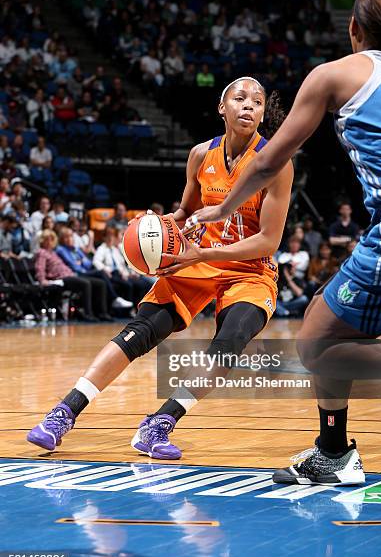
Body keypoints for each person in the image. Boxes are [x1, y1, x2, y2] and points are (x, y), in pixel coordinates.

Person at [189, 0, 381, 486]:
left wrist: (223, 205)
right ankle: (333, 451)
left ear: (353, 29)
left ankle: (335, 452)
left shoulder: (337, 74)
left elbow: (268, 159)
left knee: (315, 345)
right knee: (319, 318)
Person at [27, 76, 293, 458]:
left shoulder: (276, 165)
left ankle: (160, 422)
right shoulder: (202, 155)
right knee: (142, 331)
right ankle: (64, 412)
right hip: (196, 260)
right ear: (223, 108)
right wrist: (159, 229)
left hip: (250, 272)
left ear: (263, 113)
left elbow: (269, 240)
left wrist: (199, 255)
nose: (249, 105)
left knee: (230, 342)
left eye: (258, 101)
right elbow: (185, 211)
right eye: (240, 98)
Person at [56, 227, 133, 313]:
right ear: (62, 239)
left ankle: (104, 312)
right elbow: (73, 265)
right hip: (76, 274)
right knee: (101, 272)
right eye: (67, 236)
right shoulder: (61, 249)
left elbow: (88, 263)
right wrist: (82, 262)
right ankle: (114, 299)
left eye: (71, 236)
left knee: (102, 281)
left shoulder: (76, 248)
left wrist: (81, 262)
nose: (70, 238)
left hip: (86, 271)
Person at [93, 227, 153, 305]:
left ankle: (142, 306)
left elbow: (121, 265)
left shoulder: (114, 249)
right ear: (104, 238)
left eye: (112, 236)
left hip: (122, 274)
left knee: (145, 284)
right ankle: (130, 309)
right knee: (130, 285)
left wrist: (129, 274)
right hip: (112, 274)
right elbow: (96, 261)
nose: (110, 238)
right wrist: (105, 269)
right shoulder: (102, 248)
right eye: (108, 236)